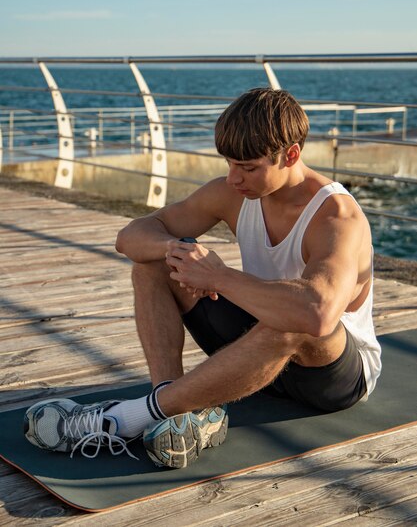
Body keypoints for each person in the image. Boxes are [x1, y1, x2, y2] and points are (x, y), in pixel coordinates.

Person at [24, 88, 381, 468]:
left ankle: (125, 419)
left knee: (295, 323)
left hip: (333, 376)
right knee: (153, 265)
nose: (233, 179)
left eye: (247, 167)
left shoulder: (336, 217)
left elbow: (319, 314)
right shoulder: (234, 194)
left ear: (290, 155)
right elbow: (129, 238)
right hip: (257, 353)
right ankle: (175, 417)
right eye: (228, 164)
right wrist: (177, 252)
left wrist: (219, 277)